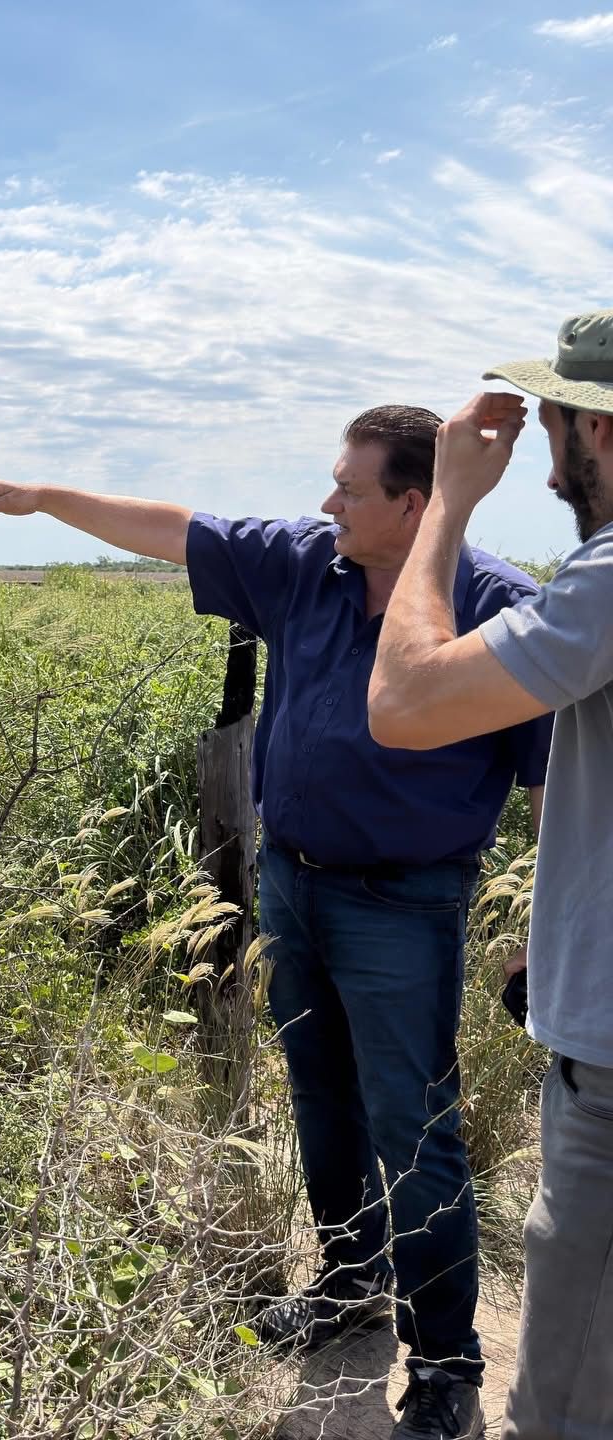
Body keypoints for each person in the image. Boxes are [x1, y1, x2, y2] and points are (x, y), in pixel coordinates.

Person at [0, 405, 553, 1440]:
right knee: (319, 1091)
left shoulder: (501, 609)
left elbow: (558, 794)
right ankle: (352, 1276)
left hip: (406, 902)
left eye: (351, 490)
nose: (328, 504)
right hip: (295, 878)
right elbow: (178, 527)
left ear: (415, 505)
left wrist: (547, 931)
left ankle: (447, 1362)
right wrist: (44, 498)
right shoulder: (304, 566)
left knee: (414, 1123)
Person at [369, 309, 613, 1440]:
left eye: (559, 416)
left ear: (594, 434)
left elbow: (407, 702)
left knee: (567, 1396)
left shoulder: (606, 580)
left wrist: (449, 510)